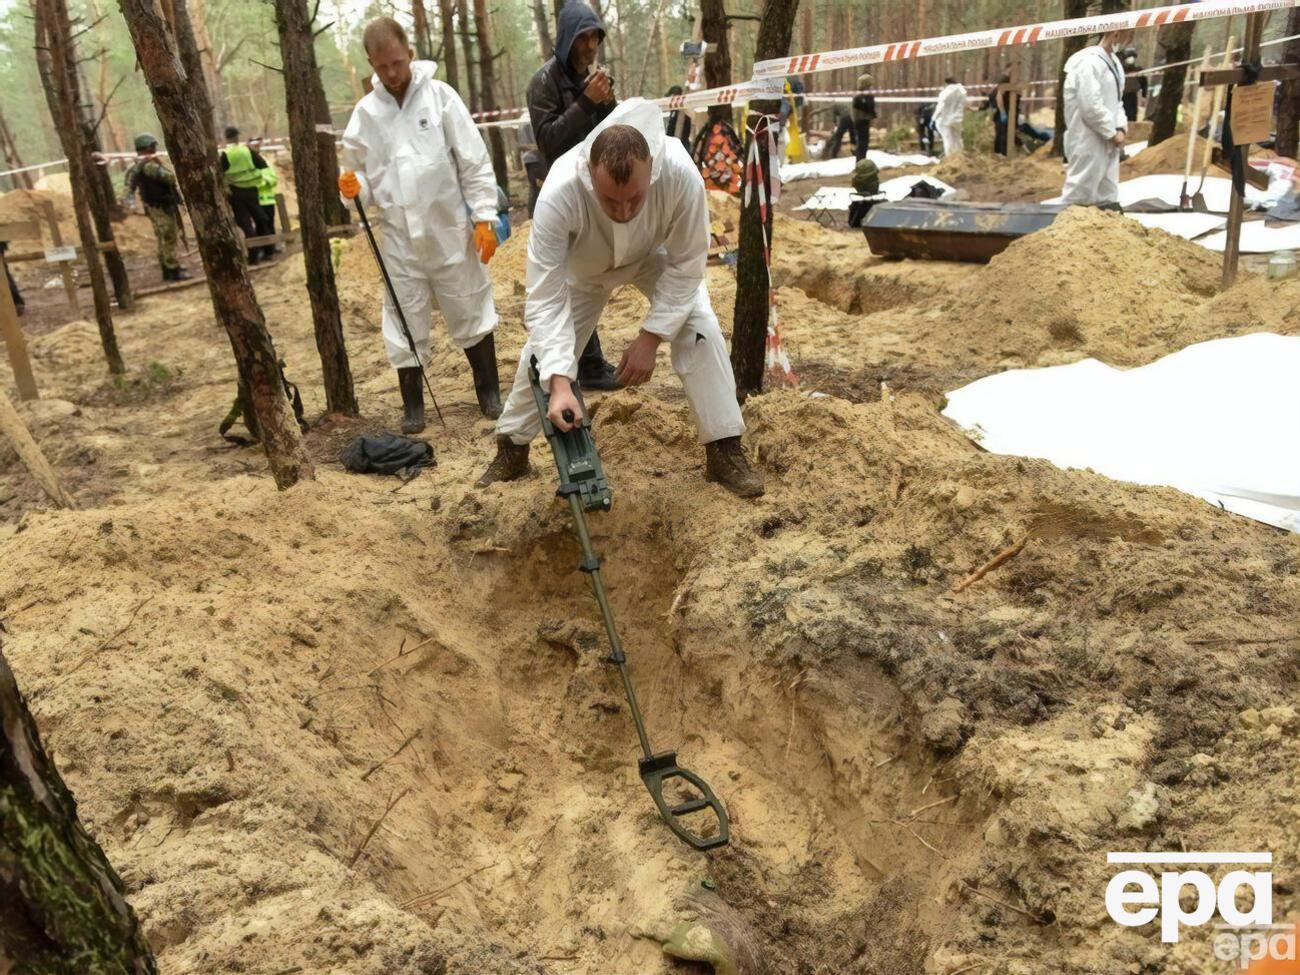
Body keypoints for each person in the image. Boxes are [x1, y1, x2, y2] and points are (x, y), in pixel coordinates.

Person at [476, 100, 764, 499]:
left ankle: (724, 448)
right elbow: (545, 296)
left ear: (652, 170)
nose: (625, 211)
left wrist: (651, 338)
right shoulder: (560, 191)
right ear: (591, 177)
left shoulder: (681, 176)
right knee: (539, 358)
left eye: (636, 198)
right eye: (611, 201)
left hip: (652, 256)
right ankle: (512, 447)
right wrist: (561, 382)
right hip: (586, 269)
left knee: (701, 327)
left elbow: (687, 265)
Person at [339, 16, 503, 430]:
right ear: (372, 66)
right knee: (403, 314)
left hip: (449, 230)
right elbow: (360, 182)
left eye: (397, 62)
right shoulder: (366, 116)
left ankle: (488, 390)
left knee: (469, 304)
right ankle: (413, 405)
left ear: (409, 52)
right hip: (399, 240)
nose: (392, 73)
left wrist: (484, 216)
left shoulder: (441, 98)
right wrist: (351, 187)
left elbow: (473, 162)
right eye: (382, 67)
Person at [527, 0, 621, 391]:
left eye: (594, 38)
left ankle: (586, 361)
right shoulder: (544, 82)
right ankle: (576, 363)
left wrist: (608, 102)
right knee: (563, 282)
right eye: (581, 38)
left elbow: (613, 131)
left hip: (591, 192)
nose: (589, 47)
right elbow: (549, 142)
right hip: (557, 194)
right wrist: (586, 102)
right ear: (567, 40)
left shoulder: (592, 77)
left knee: (587, 274)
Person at [1047, 29, 1132, 207]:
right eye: (1128, 34)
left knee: (1107, 191)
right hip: (1087, 137)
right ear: (1115, 34)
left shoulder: (1114, 63)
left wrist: (1120, 128)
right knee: (1080, 191)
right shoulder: (1087, 62)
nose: (1129, 39)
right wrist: (1110, 131)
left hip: (1108, 138)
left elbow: (1117, 100)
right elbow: (1090, 104)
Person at [124, 133, 190, 282]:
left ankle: (169, 268)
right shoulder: (148, 166)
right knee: (168, 237)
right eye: (152, 147)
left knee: (165, 237)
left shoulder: (142, 165)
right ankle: (172, 269)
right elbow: (169, 177)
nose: (154, 149)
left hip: (162, 205)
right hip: (159, 206)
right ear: (145, 148)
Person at [219, 126, 275, 264]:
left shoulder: (225, 154)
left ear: (226, 138)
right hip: (252, 191)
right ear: (238, 136)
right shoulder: (247, 151)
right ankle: (268, 251)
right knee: (261, 219)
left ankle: (253, 257)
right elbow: (263, 166)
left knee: (246, 225)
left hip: (235, 193)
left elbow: (219, 173)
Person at [249, 137, 280, 254]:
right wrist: (263, 182)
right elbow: (252, 182)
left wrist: (265, 181)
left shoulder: (266, 162)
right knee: (260, 225)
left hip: (269, 201)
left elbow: (273, 178)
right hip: (256, 201)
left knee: (270, 224)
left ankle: (272, 247)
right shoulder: (249, 163)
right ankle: (262, 248)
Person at [518, 115, 546, 218]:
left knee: (535, 188)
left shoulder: (524, 118)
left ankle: (532, 215)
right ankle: (533, 215)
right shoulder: (529, 118)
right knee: (538, 189)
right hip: (536, 158)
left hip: (530, 159)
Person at [934, 76, 967, 157]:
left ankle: (950, 158)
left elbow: (941, 106)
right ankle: (960, 157)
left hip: (944, 119)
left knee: (948, 140)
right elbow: (963, 105)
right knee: (957, 139)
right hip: (957, 119)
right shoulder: (962, 91)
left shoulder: (945, 92)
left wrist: (934, 117)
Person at [851, 74, 877, 162]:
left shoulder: (860, 95)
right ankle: (860, 161)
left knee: (862, 142)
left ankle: (861, 160)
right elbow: (868, 107)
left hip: (860, 120)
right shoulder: (862, 96)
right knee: (863, 143)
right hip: (862, 120)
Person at [1120, 48, 1148, 123]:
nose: (1131, 59)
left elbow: (1144, 83)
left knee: (1132, 115)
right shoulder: (1120, 70)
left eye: (1133, 57)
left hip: (1132, 95)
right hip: (1120, 96)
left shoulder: (1138, 70)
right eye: (1129, 57)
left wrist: (1144, 96)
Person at [664, 85, 693, 152]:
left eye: (671, 97)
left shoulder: (682, 113)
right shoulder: (674, 111)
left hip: (679, 147)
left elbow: (678, 132)